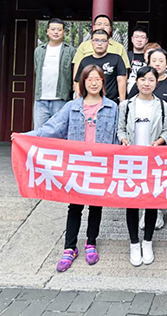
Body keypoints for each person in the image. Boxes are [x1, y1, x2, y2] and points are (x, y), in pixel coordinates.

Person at [22, 65, 119, 272]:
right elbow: (52, 128)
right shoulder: (72, 107)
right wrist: (26, 137)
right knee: (74, 206)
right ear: (83, 82)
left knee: (96, 206)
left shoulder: (112, 107)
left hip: (100, 165)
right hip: (78, 165)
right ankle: (70, 247)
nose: (94, 83)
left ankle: (91, 243)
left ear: (103, 82)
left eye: (98, 79)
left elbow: (117, 137)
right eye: (89, 79)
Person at [117, 67, 167, 267]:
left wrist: (160, 141)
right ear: (137, 82)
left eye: (151, 80)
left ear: (156, 82)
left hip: (153, 161)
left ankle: (147, 241)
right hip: (131, 160)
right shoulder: (126, 105)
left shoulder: (163, 105)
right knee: (132, 202)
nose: (146, 83)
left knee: (151, 202)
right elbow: (120, 129)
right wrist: (123, 139)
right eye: (143, 79)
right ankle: (134, 242)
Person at [33, 18, 76, 128]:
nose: (56, 32)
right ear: (47, 31)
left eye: (59, 30)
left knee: (59, 132)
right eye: (53, 29)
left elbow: (74, 74)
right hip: (41, 99)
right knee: (39, 132)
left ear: (64, 32)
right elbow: (37, 69)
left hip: (61, 99)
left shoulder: (70, 51)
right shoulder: (39, 50)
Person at [74, 29, 127, 104]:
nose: (99, 43)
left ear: (108, 43)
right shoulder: (85, 61)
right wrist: (78, 99)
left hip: (111, 102)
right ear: (91, 42)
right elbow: (78, 82)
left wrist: (122, 102)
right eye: (96, 40)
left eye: (103, 41)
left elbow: (121, 81)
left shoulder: (116, 58)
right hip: (88, 102)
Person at [72, 14, 130, 80]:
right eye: (99, 24)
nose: (102, 27)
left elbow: (123, 74)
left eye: (106, 25)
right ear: (94, 27)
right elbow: (77, 71)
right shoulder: (84, 46)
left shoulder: (119, 47)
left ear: (110, 28)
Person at [126, 26, 149, 92]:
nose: (139, 40)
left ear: (146, 40)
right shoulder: (126, 55)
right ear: (132, 39)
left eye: (142, 37)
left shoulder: (150, 56)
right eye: (136, 37)